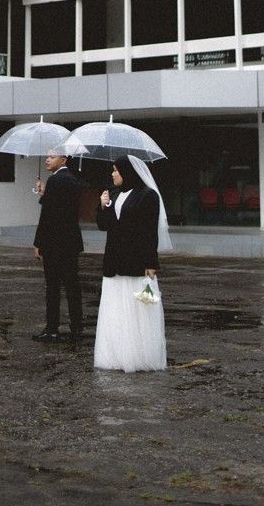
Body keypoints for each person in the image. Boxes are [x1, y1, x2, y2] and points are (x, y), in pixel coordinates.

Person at [94, 154, 172, 372]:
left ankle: (139, 357)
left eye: (116, 170)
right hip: (114, 260)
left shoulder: (147, 195)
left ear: (127, 172)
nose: (113, 174)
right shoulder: (113, 194)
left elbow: (149, 232)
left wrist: (151, 263)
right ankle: (115, 356)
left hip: (136, 261)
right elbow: (104, 225)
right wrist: (103, 206)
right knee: (115, 310)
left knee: (138, 311)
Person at [32, 149, 85, 342]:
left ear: (63, 160)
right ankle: (76, 328)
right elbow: (63, 207)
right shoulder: (72, 179)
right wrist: (45, 193)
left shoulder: (55, 180)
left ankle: (52, 328)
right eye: (47, 156)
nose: (47, 160)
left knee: (53, 287)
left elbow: (48, 214)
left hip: (54, 242)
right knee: (72, 286)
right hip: (70, 241)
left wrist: (38, 242)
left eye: (52, 157)